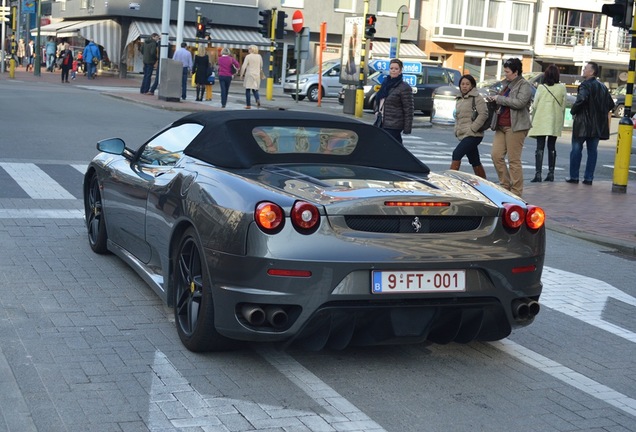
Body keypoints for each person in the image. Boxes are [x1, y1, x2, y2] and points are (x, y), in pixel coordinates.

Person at [488, 57, 533, 197]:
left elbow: (520, 103)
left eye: (507, 71)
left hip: (516, 126)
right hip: (501, 125)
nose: (505, 74)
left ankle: (516, 191)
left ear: (516, 72)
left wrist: (499, 99)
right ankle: (505, 185)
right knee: (496, 155)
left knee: (514, 160)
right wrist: (494, 99)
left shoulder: (524, 85)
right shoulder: (506, 84)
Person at [566, 61, 615, 185]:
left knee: (576, 149)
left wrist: (573, 111)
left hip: (582, 123)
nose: (583, 70)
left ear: (592, 72)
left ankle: (574, 177)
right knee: (592, 151)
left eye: (585, 68)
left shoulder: (585, 85)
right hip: (597, 125)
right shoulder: (603, 87)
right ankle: (588, 178)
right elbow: (611, 104)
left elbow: (581, 99)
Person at [527, 64, 567, 182]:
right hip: (554, 121)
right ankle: (551, 173)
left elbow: (535, 105)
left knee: (539, 147)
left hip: (541, 120)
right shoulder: (562, 88)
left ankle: (538, 174)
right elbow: (564, 105)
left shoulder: (541, 87)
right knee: (552, 147)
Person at [451, 74, 488, 179]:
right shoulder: (459, 99)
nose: (464, 86)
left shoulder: (477, 98)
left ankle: (451, 180)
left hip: (474, 134)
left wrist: (473, 128)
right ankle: (483, 183)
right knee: (474, 160)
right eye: (462, 84)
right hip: (464, 134)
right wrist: (457, 130)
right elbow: (458, 117)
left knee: (456, 154)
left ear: (472, 86)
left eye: (467, 84)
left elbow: (484, 114)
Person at [373, 58, 414, 144]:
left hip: (394, 124)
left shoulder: (404, 87)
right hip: (382, 121)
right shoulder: (385, 83)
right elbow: (379, 99)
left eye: (396, 69)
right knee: (393, 147)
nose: (393, 71)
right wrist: (377, 111)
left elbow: (408, 108)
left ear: (400, 71)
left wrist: (407, 128)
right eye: (391, 68)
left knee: (389, 146)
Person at [239, 45, 263, 109]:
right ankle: (257, 99)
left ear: (252, 49)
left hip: (249, 75)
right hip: (257, 75)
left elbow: (244, 66)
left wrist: (241, 74)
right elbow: (261, 65)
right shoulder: (259, 56)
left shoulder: (248, 56)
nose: (248, 50)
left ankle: (248, 105)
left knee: (248, 89)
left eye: (249, 49)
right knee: (255, 89)